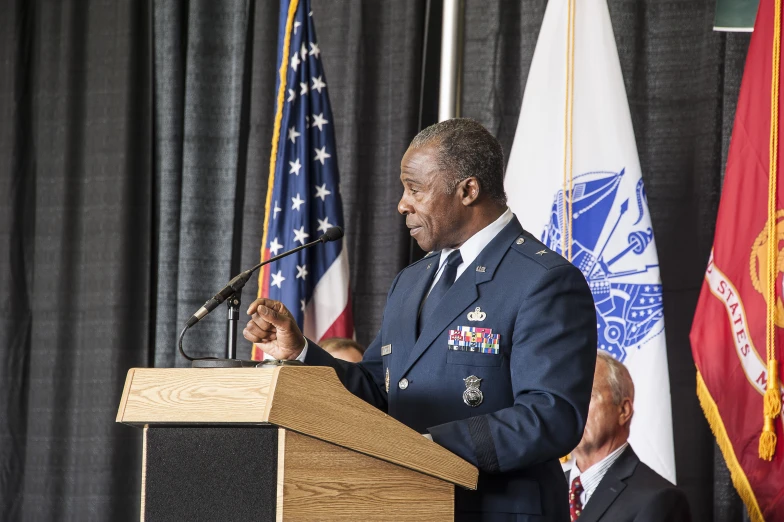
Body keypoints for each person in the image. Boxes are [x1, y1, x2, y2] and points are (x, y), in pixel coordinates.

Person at [244, 118, 597, 521]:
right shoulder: (411, 282)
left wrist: (424, 447)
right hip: (405, 505)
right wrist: (302, 352)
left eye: (415, 189)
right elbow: (379, 390)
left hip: (492, 510)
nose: (402, 204)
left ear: (468, 190)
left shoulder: (542, 280)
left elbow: (551, 415)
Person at [566, 351, 691, 522]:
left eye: (587, 396)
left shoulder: (660, 500)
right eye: (567, 398)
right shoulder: (546, 489)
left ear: (623, 410)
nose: (573, 409)